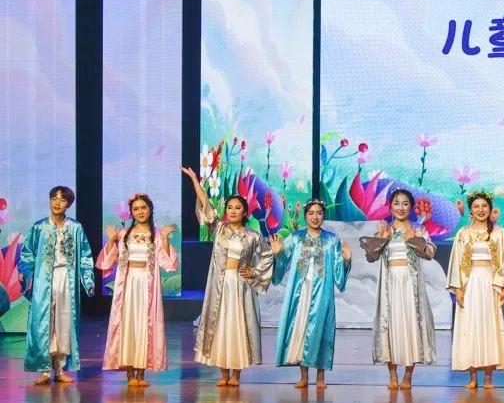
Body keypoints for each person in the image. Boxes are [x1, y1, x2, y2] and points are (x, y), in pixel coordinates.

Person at [183, 166, 274, 387]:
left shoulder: (252, 236)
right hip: (221, 286)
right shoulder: (220, 230)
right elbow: (206, 205)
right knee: (221, 326)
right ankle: (224, 374)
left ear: (245, 212)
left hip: (240, 286)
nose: (233, 211)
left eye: (238, 208)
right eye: (230, 208)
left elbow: (267, 256)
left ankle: (236, 375)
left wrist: (253, 272)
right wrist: (195, 180)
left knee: (238, 327)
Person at [360, 189, 439, 390]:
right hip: (391, 285)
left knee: (412, 326)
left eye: (405, 203)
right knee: (390, 326)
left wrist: (415, 239)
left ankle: (408, 376)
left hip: (410, 285)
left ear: (411, 207)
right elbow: (371, 257)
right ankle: (393, 375)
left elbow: (429, 253)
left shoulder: (418, 230)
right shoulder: (385, 230)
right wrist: (380, 239)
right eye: (396, 203)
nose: (400, 207)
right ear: (390, 207)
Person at [98, 193, 179, 387]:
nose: (140, 211)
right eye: (136, 209)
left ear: (150, 209)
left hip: (147, 285)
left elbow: (168, 264)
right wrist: (111, 240)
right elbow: (107, 262)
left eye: (143, 208)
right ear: (131, 212)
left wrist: (165, 238)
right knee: (127, 325)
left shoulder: (156, 235)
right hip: (127, 284)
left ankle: (141, 374)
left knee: (144, 325)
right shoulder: (124, 234)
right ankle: (130, 374)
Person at [271, 199, 352, 389]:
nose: (315, 217)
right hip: (300, 292)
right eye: (311, 213)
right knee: (300, 330)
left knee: (321, 330)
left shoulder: (331, 240)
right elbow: (283, 259)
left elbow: (338, 271)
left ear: (324, 216)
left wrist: (347, 260)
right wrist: (277, 254)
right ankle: (304, 377)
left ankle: (321, 377)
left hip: (322, 292)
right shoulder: (296, 237)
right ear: (305, 215)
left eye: (319, 213)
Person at [19, 186, 95, 385]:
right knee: (43, 322)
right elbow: (27, 253)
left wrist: (87, 279)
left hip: (66, 278)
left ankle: (60, 369)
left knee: (64, 321)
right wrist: (25, 271)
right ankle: (44, 370)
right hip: (44, 279)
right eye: (54, 198)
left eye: (62, 200)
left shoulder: (75, 227)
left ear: (68, 204)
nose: (57, 203)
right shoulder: (39, 227)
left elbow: (85, 255)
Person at [447, 190, 504, 389]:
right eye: (476, 207)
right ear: (470, 211)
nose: (480, 210)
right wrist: (458, 288)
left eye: (484, 206)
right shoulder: (463, 234)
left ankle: (488, 376)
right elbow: (456, 263)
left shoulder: (499, 233)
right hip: (469, 284)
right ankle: (472, 376)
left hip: (490, 283)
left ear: (490, 209)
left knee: (489, 327)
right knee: (470, 326)